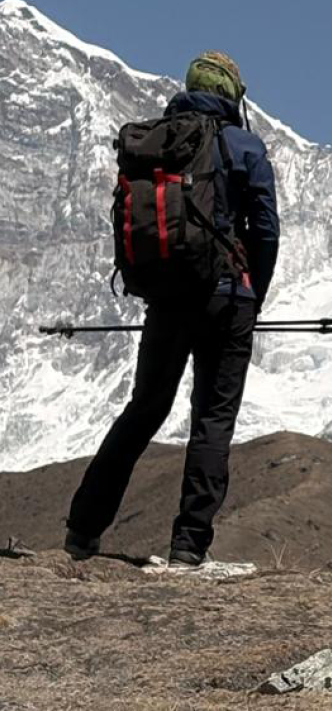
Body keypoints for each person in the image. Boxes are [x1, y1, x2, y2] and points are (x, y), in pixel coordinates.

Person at [65, 51, 280, 566]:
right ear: (231, 94)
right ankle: (187, 547)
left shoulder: (159, 143)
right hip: (228, 300)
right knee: (212, 419)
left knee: (144, 410)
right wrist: (255, 292)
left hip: (166, 298)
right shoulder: (244, 146)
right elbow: (266, 230)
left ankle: (82, 530)